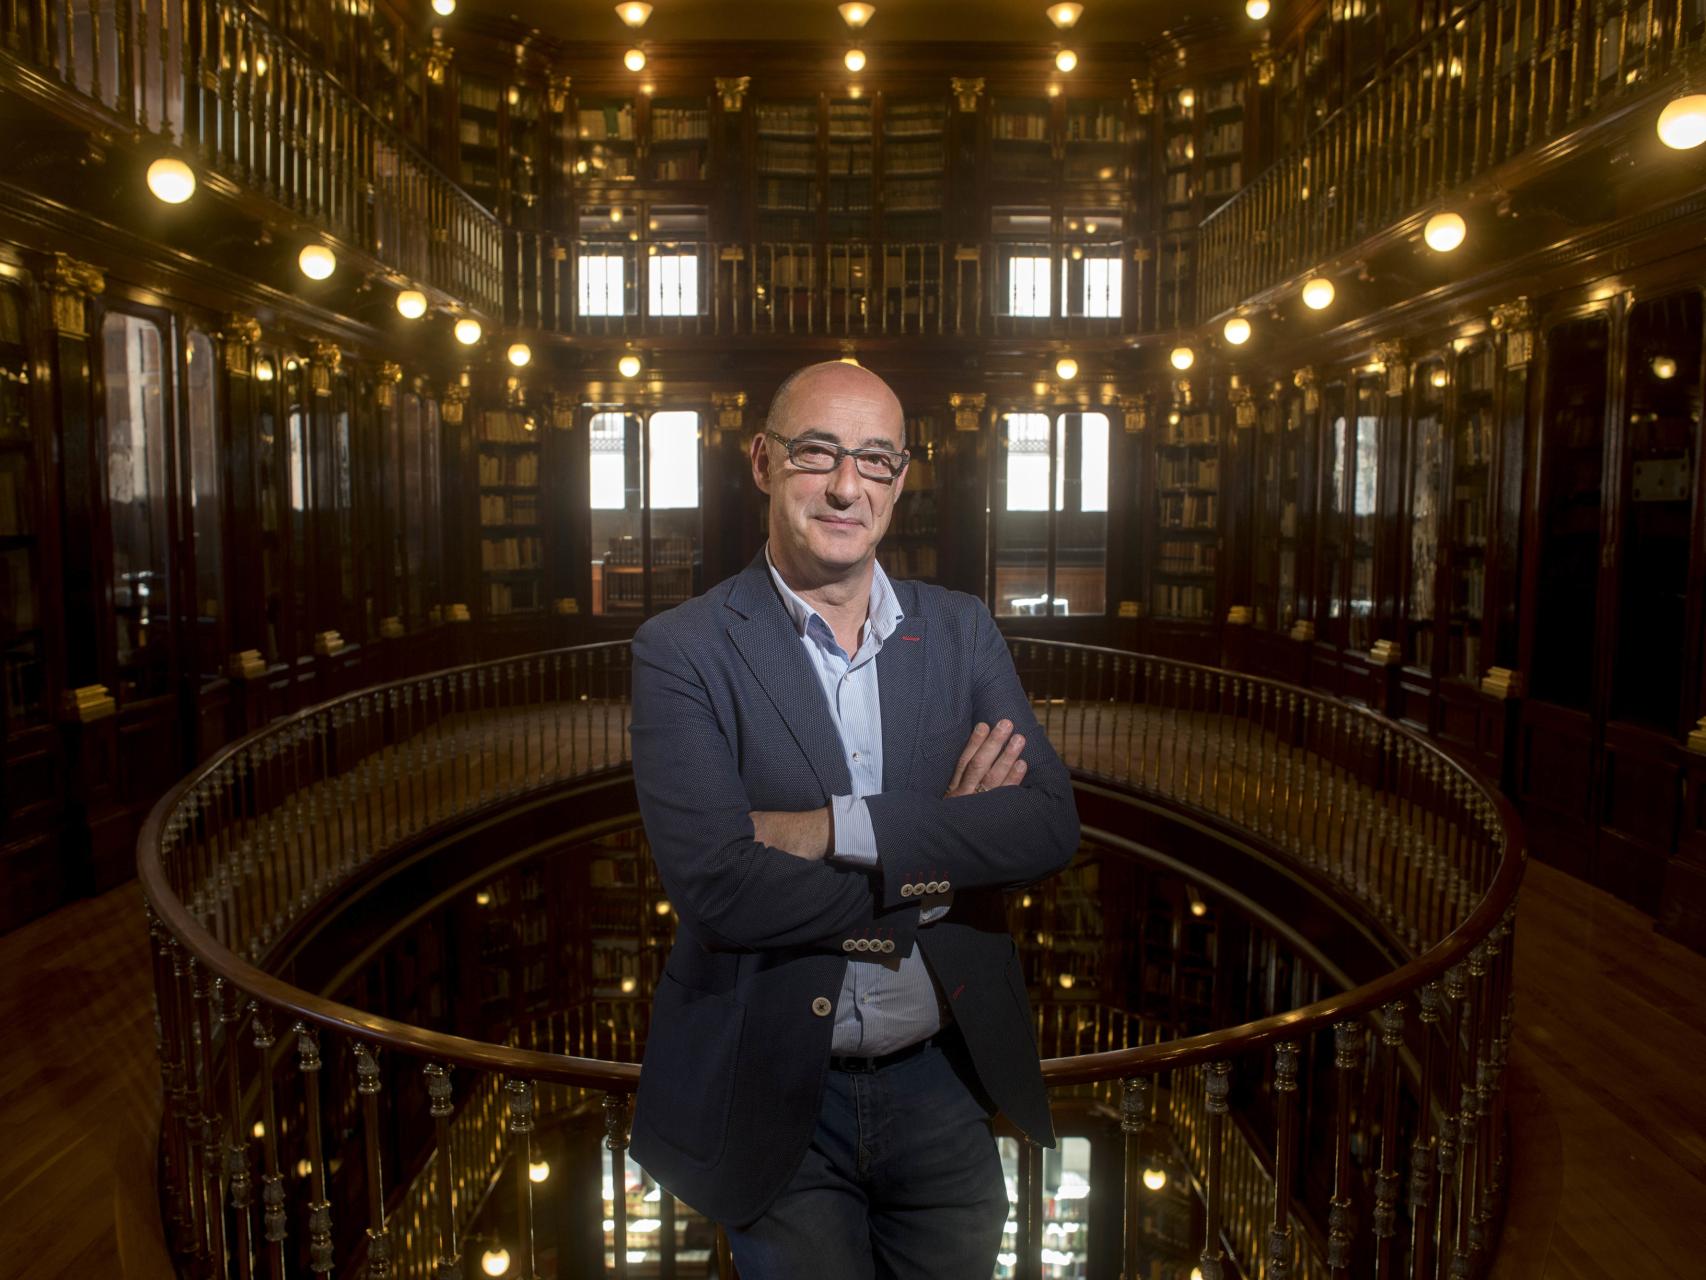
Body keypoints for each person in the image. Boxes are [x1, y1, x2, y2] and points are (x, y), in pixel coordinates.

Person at [626, 360, 1080, 1279]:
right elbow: (718, 889)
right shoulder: (681, 650)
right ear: (762, 462)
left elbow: (1045, 826)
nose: (846, 486)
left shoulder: (959, 631)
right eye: (817, 453)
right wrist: (942, 851)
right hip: (776, 1089)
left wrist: (833, 825)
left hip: (945, 1083)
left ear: (901, 479)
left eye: (876, 460)